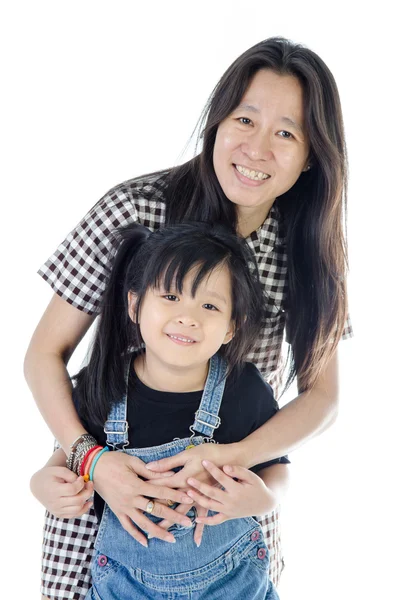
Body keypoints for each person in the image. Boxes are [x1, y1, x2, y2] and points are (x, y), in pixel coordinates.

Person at [24, 36, 351, 598]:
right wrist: (92, 462)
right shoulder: (134, 209)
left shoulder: (307, 251)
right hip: (102, 522)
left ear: (310, 157)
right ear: (217, 124)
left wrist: (236, 462)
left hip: (225, 523)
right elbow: (44, 355)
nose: (256, 148)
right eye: (245, 120)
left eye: (286, 133)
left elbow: (323, 398)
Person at [32, 222, 290, 599]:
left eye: (209, 305)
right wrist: (42, 485)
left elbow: (276, 464)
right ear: (135, 305)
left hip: (233, 586)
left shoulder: (244, 388)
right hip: (125, 588)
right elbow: (68, 457)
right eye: (171, 297)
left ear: (232, 326)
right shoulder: (103, 383)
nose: (188, 317)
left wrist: (266, 497)